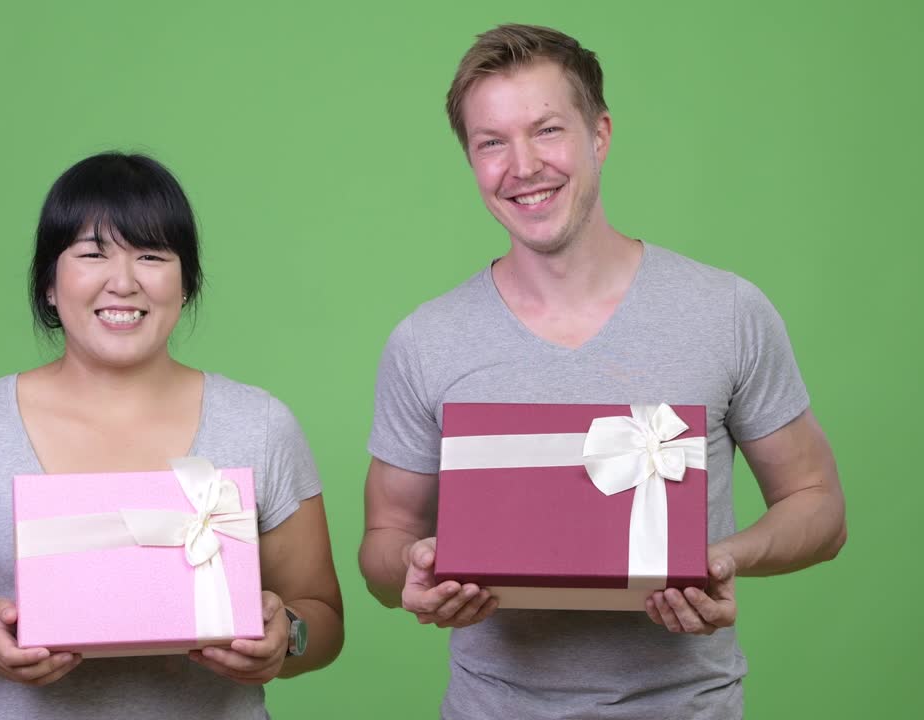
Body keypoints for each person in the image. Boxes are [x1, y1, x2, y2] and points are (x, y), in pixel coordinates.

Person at [358, 24, 846, 720]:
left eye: (547, 130)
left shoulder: (727, 312)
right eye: (491, 142)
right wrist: (413, 573)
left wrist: (726, 556)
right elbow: (384, 539)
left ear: (600, 135)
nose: (521, 166)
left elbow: (819, 504)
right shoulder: (424, 341)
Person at [0, 152, 343, 719]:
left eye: (152, 255)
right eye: (92, 253)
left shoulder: (259, 424)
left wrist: (286, 636)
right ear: (48, 281)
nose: (123, 281)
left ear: (185, 282)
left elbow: (324, 620)